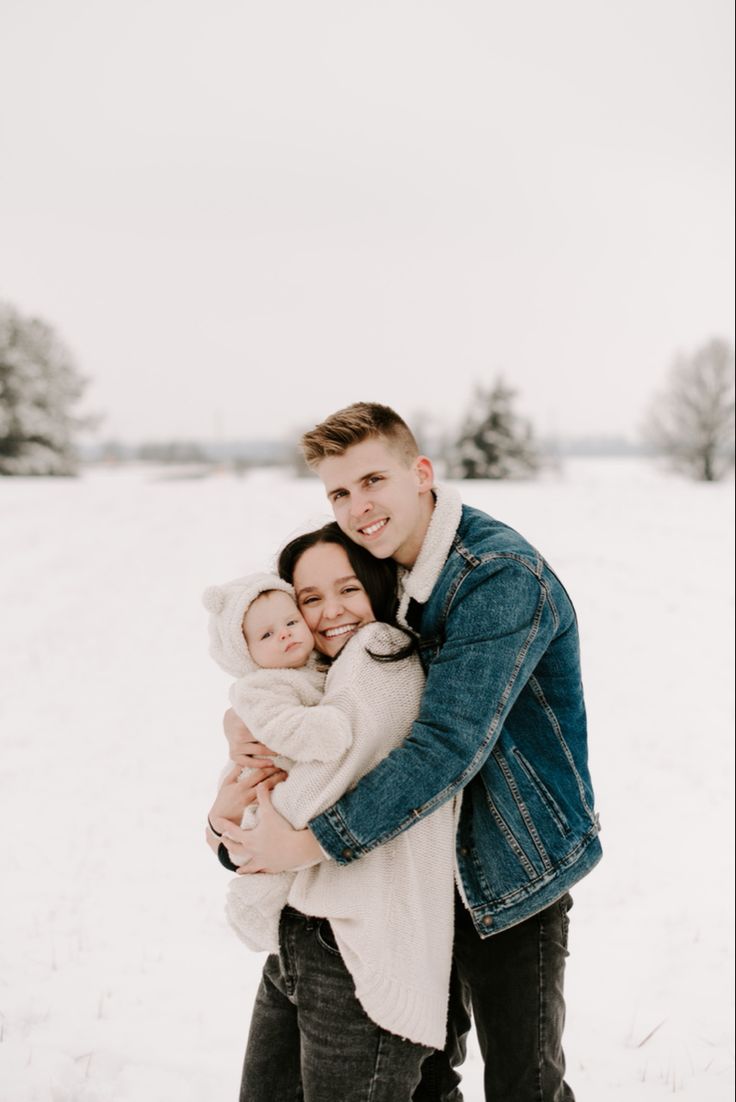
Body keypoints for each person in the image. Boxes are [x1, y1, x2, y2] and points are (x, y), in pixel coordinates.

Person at [224, 402, 603, 1102]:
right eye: (339, 492)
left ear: (421, 473)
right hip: (416, 864)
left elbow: (446, 744)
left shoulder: (499, 576)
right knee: (427, 1077)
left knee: (525, 1085)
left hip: (511, 865)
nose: (358, 506)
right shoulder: (375, 572)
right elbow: (329, 709)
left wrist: (312, 843)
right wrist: (246, 742)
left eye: (373, 481)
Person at [207, 525, 457, 1101]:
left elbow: (311, 788)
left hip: (357, 946)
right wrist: (227, 813)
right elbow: (281, 773)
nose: (328, 613)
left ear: (377, 584)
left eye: (348, 589)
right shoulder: (320, 677)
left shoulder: (379, 656)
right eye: (310, 599)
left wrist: (234, 840)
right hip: (306, 934)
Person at [203, 571, 355, 951]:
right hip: (263, 789)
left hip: (292, 792)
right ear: (245, 652)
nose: (285, 634)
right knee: (267, 851)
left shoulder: (317, 667)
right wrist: (331, 724)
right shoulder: (261, 686)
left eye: (290, 622)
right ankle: (254, 907)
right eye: (266, 635)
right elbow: (292, 730)